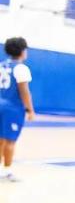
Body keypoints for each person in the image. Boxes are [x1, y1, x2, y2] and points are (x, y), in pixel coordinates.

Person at [0, 37, 35, 182]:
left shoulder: (2, 65)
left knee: (1, 139)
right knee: (10, 141)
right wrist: (30, 109)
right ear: (22, 51)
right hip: (12, 108)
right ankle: (8, 171)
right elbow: (24, 91)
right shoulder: (21, 68)